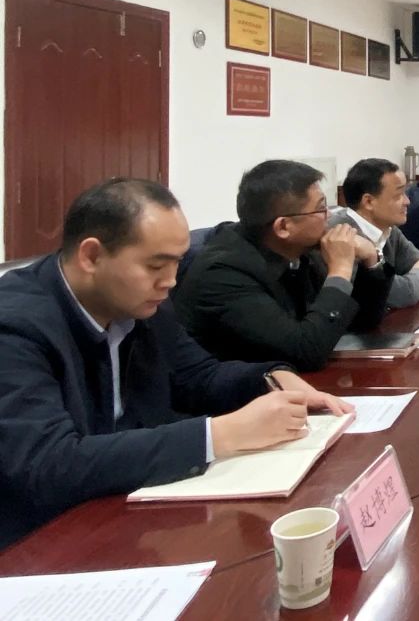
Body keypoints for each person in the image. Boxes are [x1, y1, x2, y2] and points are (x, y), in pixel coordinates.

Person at [0, 178, 351, 550]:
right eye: (156, 265)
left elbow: (197, 376)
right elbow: (48, 465)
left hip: (126, 513)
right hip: (40, 543)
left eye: (177, 263)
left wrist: (269, 377)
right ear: (91, 256)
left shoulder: (139, 302)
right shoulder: (14, 326)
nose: (169, 281)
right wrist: (220, 435)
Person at [175, 160, 393, 371]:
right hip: (241, 390)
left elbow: (361, 323)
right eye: (320, 209)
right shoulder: (224, 273)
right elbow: (304, 352)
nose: (329, 216)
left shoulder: (300, 251)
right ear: (283, 227)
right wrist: (340, 270)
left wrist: (371, 260)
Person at [330, 158, 419, 308]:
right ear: (368, 201)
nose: (407, 201)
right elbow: (402, 295)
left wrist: (415, 279)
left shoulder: (389, 229)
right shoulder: (343, 236)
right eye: (398, 195)